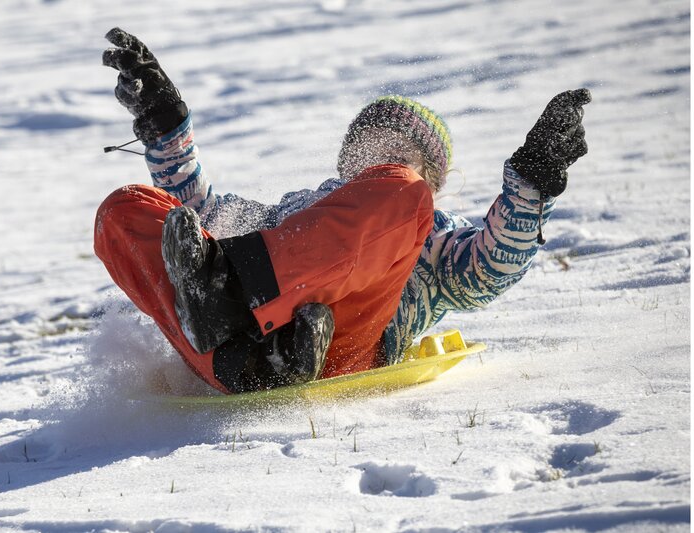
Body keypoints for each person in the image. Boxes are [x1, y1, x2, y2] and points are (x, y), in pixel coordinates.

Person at [94, 28, 590, 394]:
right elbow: (201, 217)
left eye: (400, 150)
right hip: (236, 357)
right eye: (369, 145)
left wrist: (530, 184)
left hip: (343, 345)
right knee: (124, 210)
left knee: (402, 196)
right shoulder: (300, 213)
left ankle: (231, 301)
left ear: (437, 179)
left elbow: (491, 267)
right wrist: (166, 128)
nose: (380, 158)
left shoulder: (431, 230)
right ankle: (240, 351)